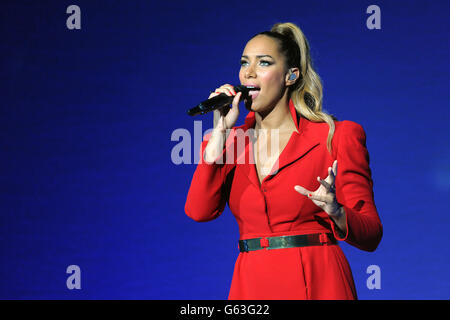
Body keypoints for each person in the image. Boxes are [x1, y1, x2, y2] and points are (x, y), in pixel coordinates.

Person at [185, 22, 382, 300]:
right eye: (244, 63)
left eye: (263, 63)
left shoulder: (336, 136)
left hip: (319, 281)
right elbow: (199, 211)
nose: (248, 73)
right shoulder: (229, 143)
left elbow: (371, 234)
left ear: (291, 76)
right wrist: (219, 134)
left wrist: (336, 211)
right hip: (252, 284)